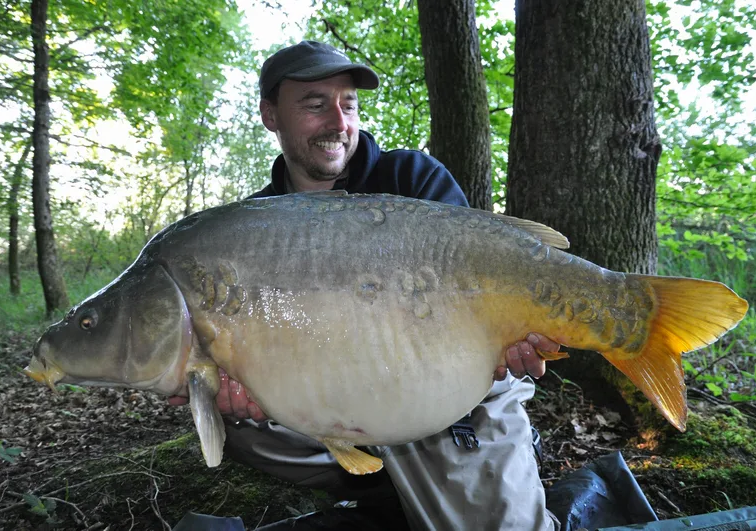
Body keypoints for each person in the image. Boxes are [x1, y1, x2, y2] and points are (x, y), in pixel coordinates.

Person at [171, 40, 561, 530]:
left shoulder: (412, 178)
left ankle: (447, 475)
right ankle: (387, 485)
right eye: (315, 105)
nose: (338, 122)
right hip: (335, 396)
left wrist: (517, 340)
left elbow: (487, 289)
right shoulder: (251, 228)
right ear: (271, 115)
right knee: (235, 419)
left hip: (446, 395)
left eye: (348, 104)